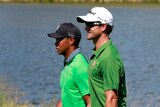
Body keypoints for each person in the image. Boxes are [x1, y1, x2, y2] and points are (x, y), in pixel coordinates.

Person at [76, 7, 127, 107]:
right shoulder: (99, 54)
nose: (86, 28)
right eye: (86, 24)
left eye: (90, 24)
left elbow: (112, 99)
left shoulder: (108, 57)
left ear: (103, 27)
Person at [47, 23, 90, 107]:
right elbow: (66, 96)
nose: (56, 44)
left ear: (71, 40)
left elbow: (91, 102)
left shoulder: (79, 66)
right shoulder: (69, 63)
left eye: (59, 40)